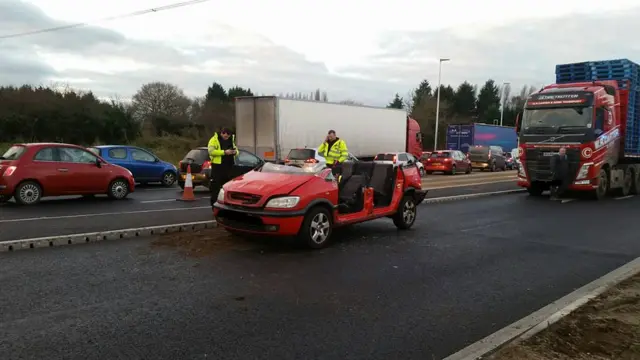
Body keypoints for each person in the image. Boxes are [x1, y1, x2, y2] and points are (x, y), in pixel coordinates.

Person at [207, 128, 237, 207]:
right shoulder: (214, 140)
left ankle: (227, 206)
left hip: (229, 166)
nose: (226, 135)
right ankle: (214, 206)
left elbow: (236, 150)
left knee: (227, 188)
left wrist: (235, 152)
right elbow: (211, 151)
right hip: (218, 167)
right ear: (221, 133)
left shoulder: (231, 140)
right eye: (224, 133)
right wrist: (224, 152)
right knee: (216, 188)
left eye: (228, 134)